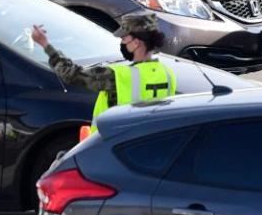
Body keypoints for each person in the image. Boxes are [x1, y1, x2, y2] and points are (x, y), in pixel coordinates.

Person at [31, 13, 176, 133]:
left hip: (111, 147)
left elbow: (71, 74)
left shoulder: (119, 76)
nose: (122, 42)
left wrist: (45, 44)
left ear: (136, 43)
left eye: (124, 38)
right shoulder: (168, 74)